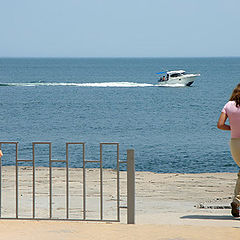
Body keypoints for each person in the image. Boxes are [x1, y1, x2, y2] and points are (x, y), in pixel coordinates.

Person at [217, 83, 240, 217]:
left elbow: (220, 125)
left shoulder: (228, 105)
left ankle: (236, 202)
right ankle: (237, 202)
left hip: (235, 143)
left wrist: (232, 128)